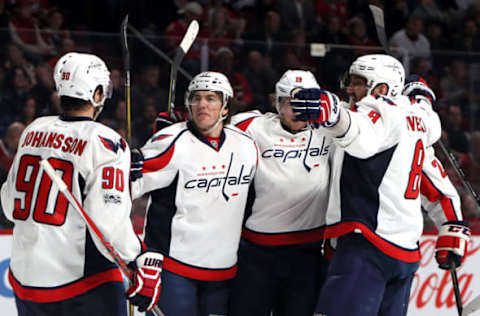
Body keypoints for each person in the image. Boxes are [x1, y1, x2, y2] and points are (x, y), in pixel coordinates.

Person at [300, 54, 470, 315]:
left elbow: (361, 136)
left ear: (380, 89)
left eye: (358, 83)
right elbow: (433, 181)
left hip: (367, 245)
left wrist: (334, 115)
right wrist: (451, 225)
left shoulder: (379, 112)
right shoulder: (417, 117)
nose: (349, 89)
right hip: (404, 254)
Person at [0, 52, 162, 316]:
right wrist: (137, 258)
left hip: (25, 280)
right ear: (97, 94)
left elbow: (9, 206)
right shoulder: (106, 142)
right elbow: (107, 222)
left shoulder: (33, 130)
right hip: (80, 284)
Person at [130, 71, 258, 316]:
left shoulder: (246, 146)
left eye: (211, 98)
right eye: (196, 98)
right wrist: (127, 162)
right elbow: (127, 185)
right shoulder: (171, 141)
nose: (202, 105)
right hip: (175, 268)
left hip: (223, 270)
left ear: (225, 107)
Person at [228, 70, 332, 316]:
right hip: (256, 252)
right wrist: (182, 123)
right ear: (277, 103)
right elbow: (211, 127)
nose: (298, 110)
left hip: (307, 252)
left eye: (306, 103)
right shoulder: (253, 125)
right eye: (290, 102)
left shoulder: (330, 131)